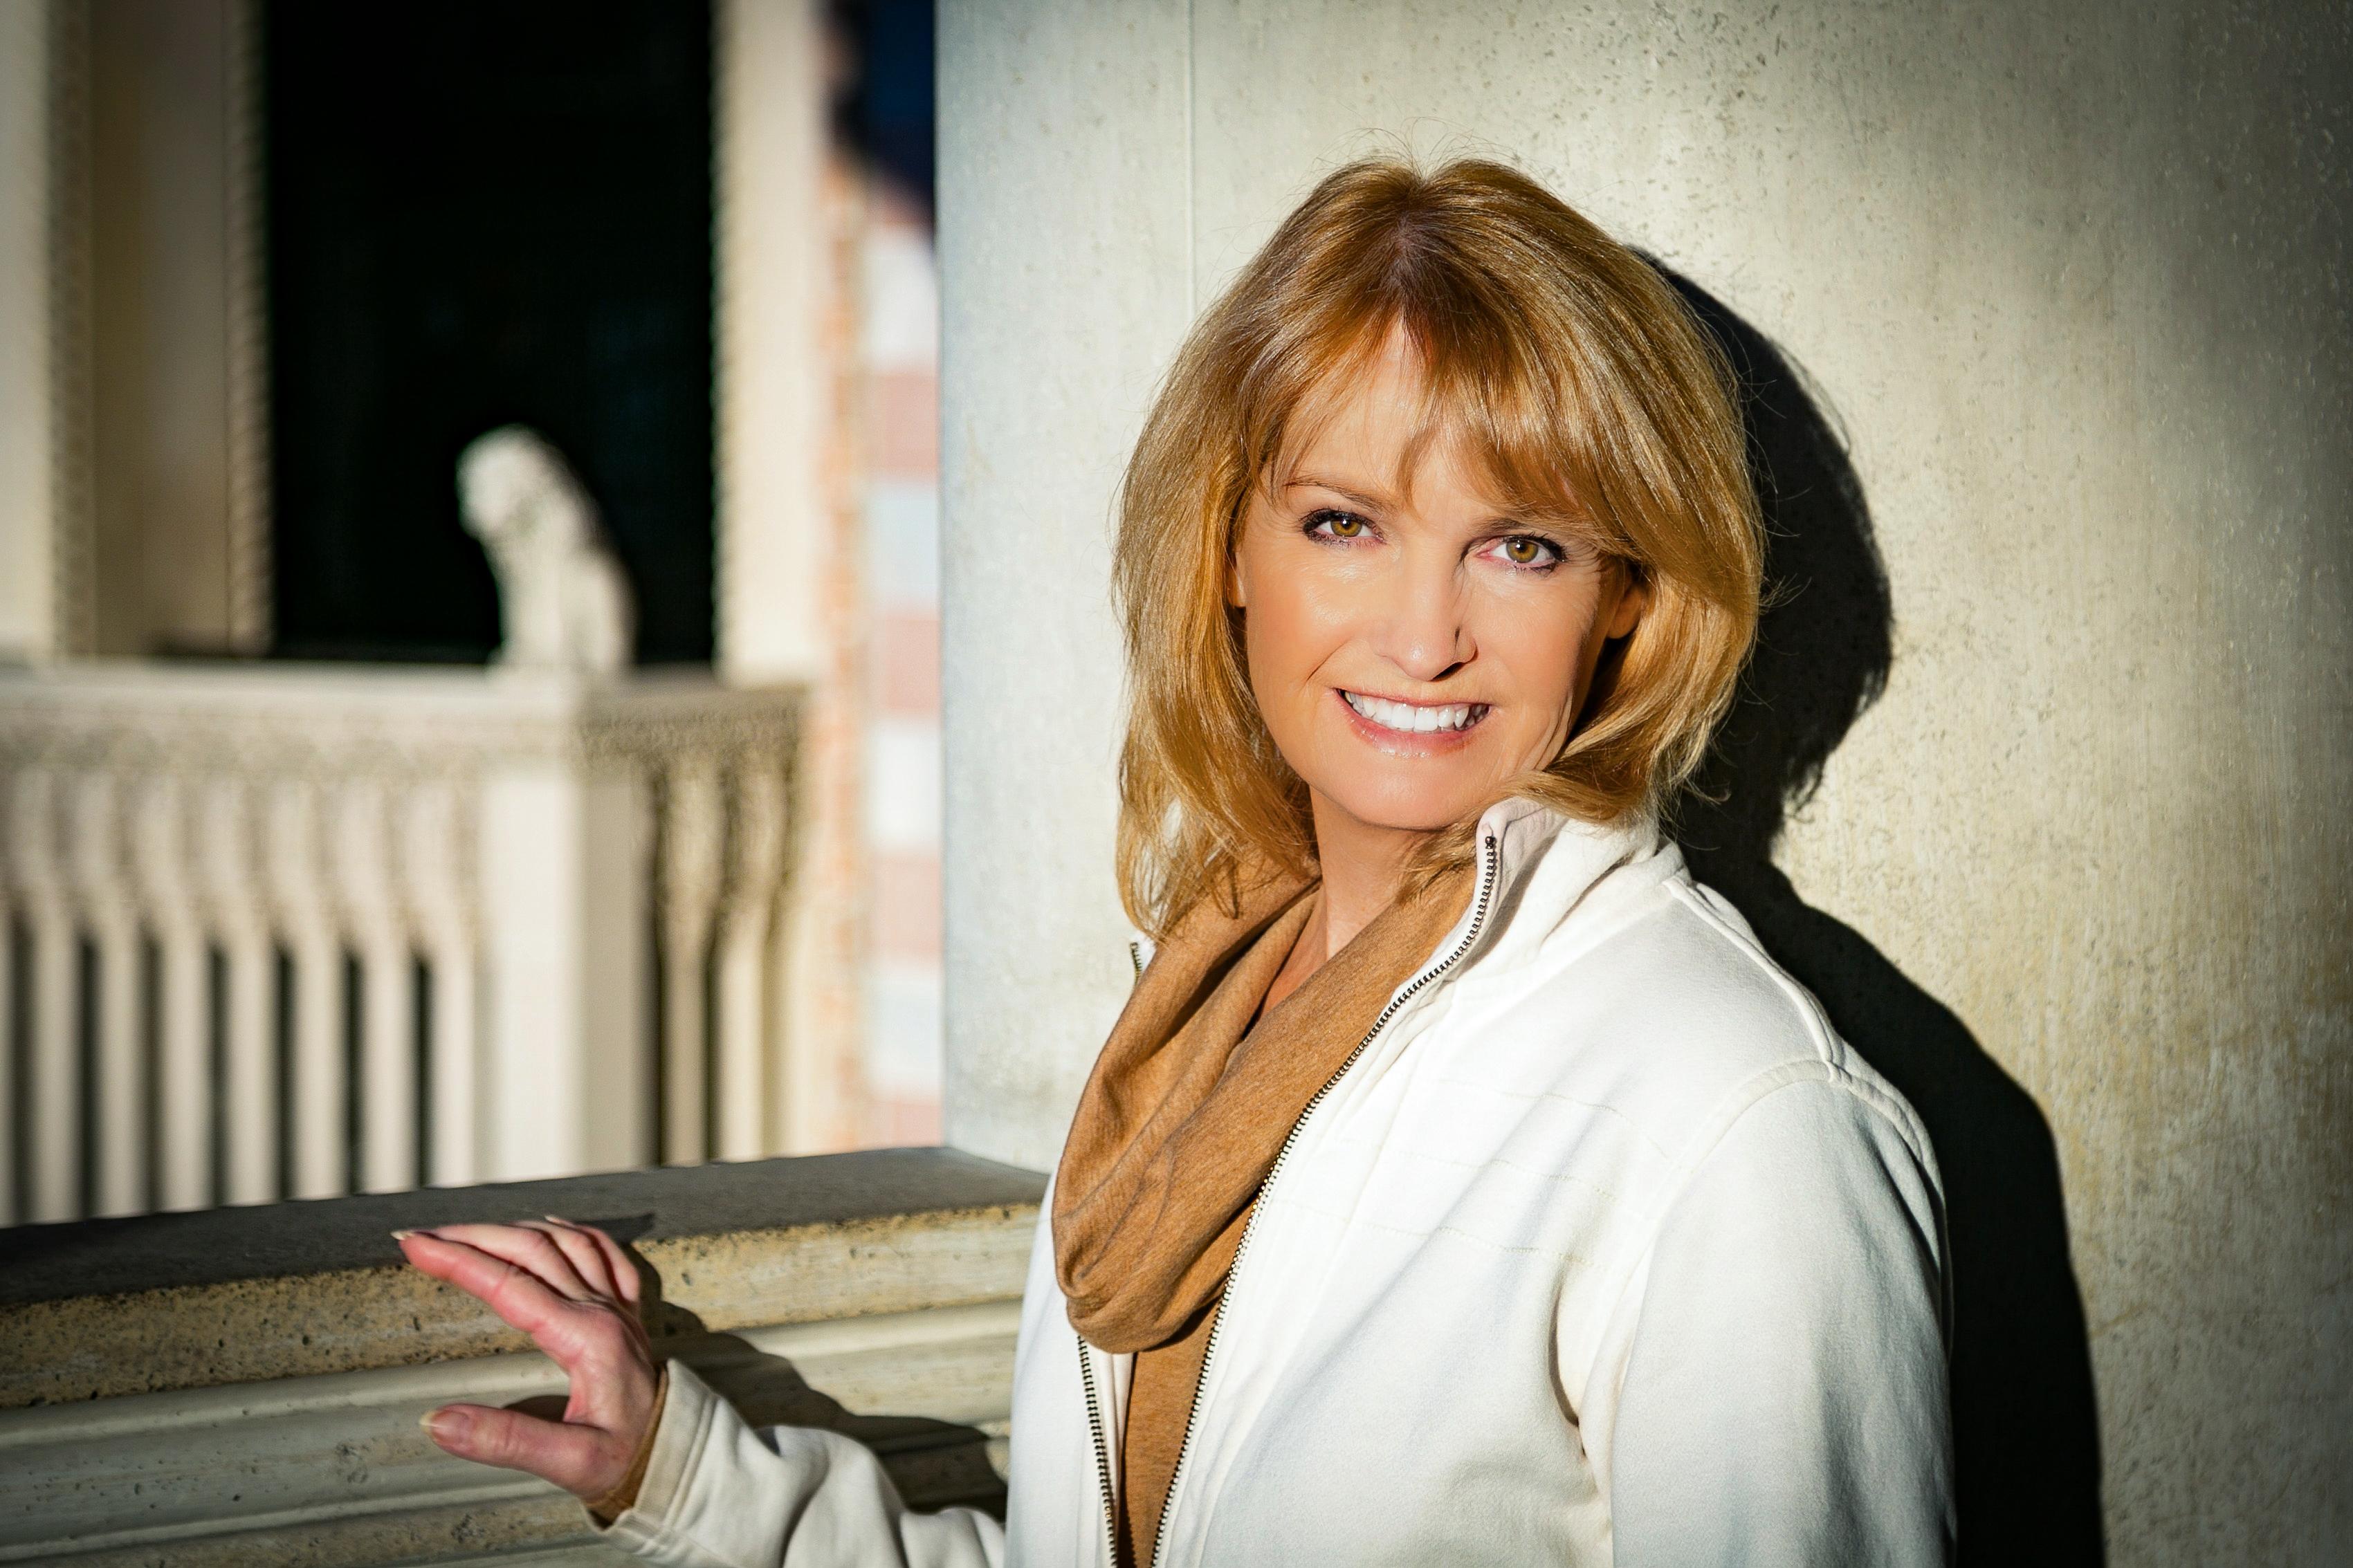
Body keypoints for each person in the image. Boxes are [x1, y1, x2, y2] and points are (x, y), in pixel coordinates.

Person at [397, 156, 1953, 1567]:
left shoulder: (1737, 1119)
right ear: (1228, 550)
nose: (1425, 636)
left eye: (1520, 545)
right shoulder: (1209, 995)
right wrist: (689, 1477)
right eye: (1344, 524)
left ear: (1624, 593)